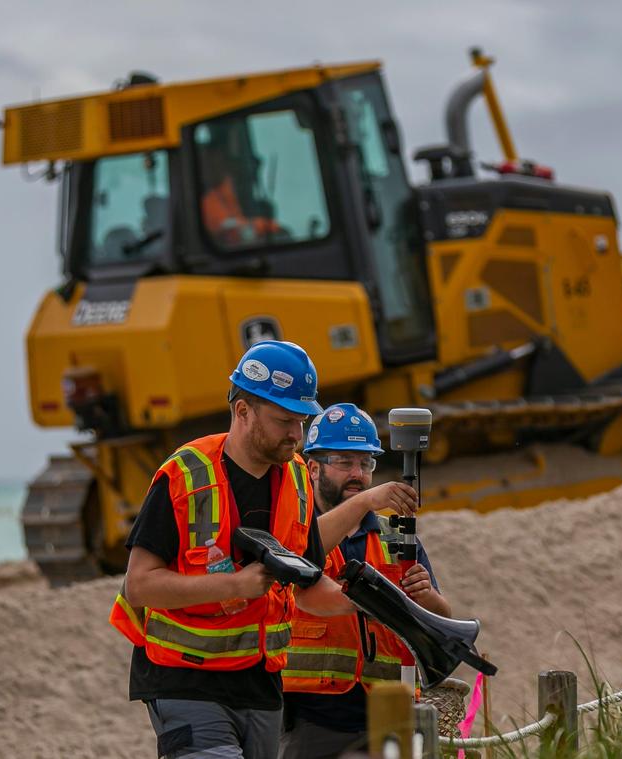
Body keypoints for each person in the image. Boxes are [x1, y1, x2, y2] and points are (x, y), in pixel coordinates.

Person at [109, 341, 413, 759]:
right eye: (285, 420)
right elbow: (139, 585)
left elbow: (307, 578)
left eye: (302, 421)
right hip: (184, 678)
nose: (296, 434)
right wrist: (235, 584)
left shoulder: (296, 479)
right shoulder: (185, 475)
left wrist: (375, 603)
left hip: (262, 685)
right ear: (243, 411)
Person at [279, 403, 451, 759]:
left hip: (390, 717)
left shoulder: (395, 539)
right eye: (344, 462)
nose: (357, 474)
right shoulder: (295, 532)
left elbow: (441, 623)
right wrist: (367, 502)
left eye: (365, 463)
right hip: (314, 721)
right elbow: (298, 562)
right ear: (312, 468)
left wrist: (428, 598)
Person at [199, 146, 284, 247]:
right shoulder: (206, 202)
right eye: (211, 163)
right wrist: (270, 227)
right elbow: (231, 230)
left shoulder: (229, 188)